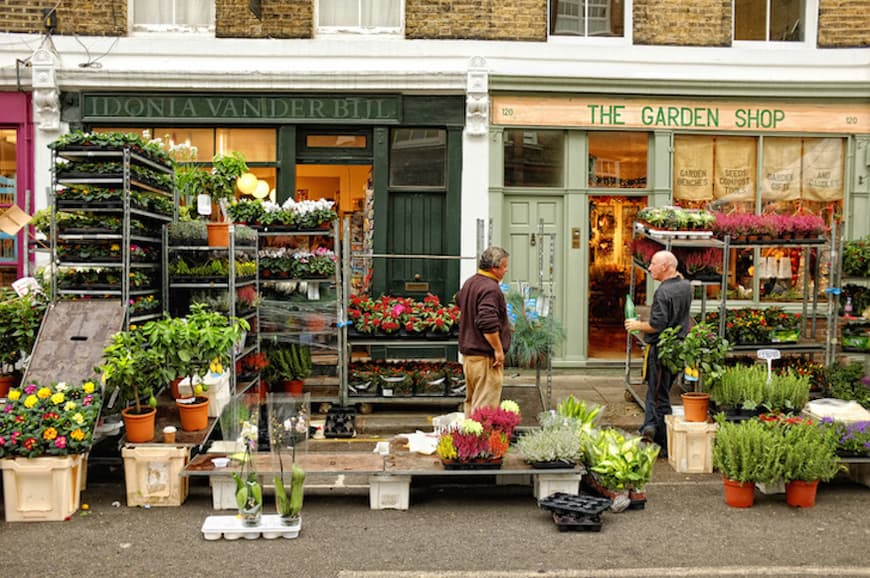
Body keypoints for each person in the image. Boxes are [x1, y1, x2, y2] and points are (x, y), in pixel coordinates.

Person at [624, 250, 692, 451]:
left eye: (653, 264)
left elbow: (657, 325)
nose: (649, 268)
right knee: (656, 391)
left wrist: (636, 325)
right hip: (677, 348)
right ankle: (648, 429)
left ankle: (663, 442)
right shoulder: (685, 286)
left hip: (662, 349)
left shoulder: (663, 292)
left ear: (666, 267)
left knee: (659, 396)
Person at [456, 246, 511, 415]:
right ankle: (481, 442)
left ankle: (467, 440)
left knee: (472, 405)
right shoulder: (491, 289)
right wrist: (498, 350)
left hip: (469, 358)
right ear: (494, 268)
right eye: (504, 266)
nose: (506, 270)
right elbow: (487, 322)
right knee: (484, 411)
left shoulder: (470, 282)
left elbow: (459, 300)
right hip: (485, 358)